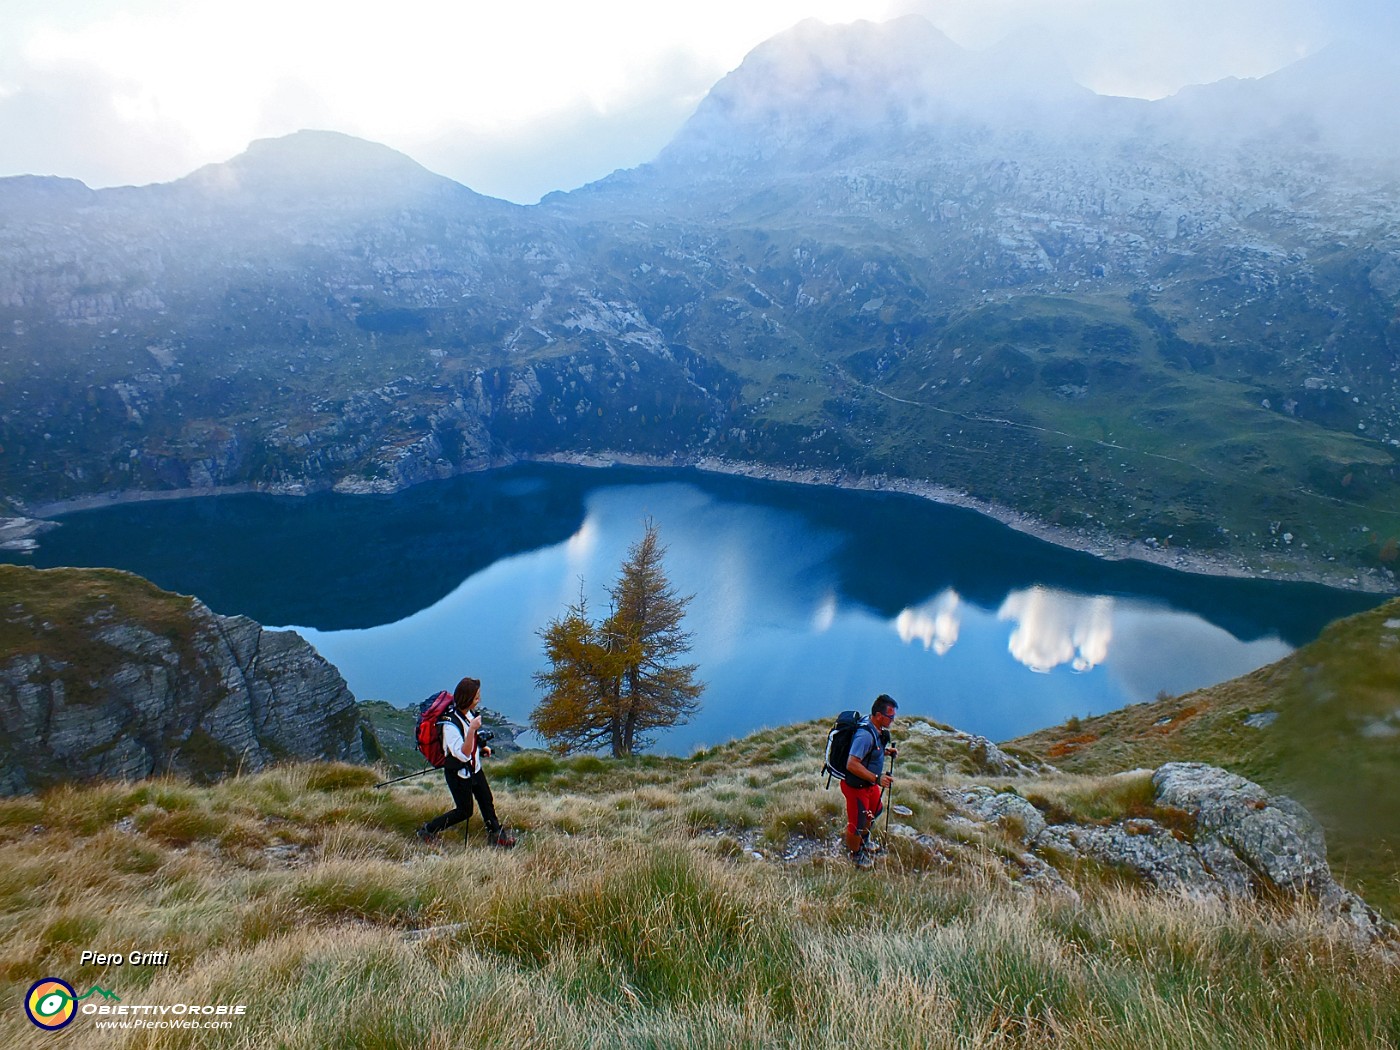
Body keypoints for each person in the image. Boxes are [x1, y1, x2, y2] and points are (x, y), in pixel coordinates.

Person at [416, 677, 516, 848]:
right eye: (476, 697)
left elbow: (472, 744)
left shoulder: (468, 714)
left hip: (474, 769)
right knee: (464, 811)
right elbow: (462, 754)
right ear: (467, 699)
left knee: (486, 800)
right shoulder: (449, 725)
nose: (479, 700)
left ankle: (496, 834)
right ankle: (428, 829)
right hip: (458, 774)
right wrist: (472, 730)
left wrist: (482, 748)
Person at [842, 694, 898, 869]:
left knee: (876, 810)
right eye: (890, 716)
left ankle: (863, 842)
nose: (893, 720)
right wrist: (877, 778)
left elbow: (871, 751)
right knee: (857, 822)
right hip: (857, 787)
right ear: (879, 716)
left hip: (869, 784)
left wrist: (886, 752)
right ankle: (855, 854)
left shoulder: (875, 728)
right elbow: (851, 764)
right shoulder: (865, 735)